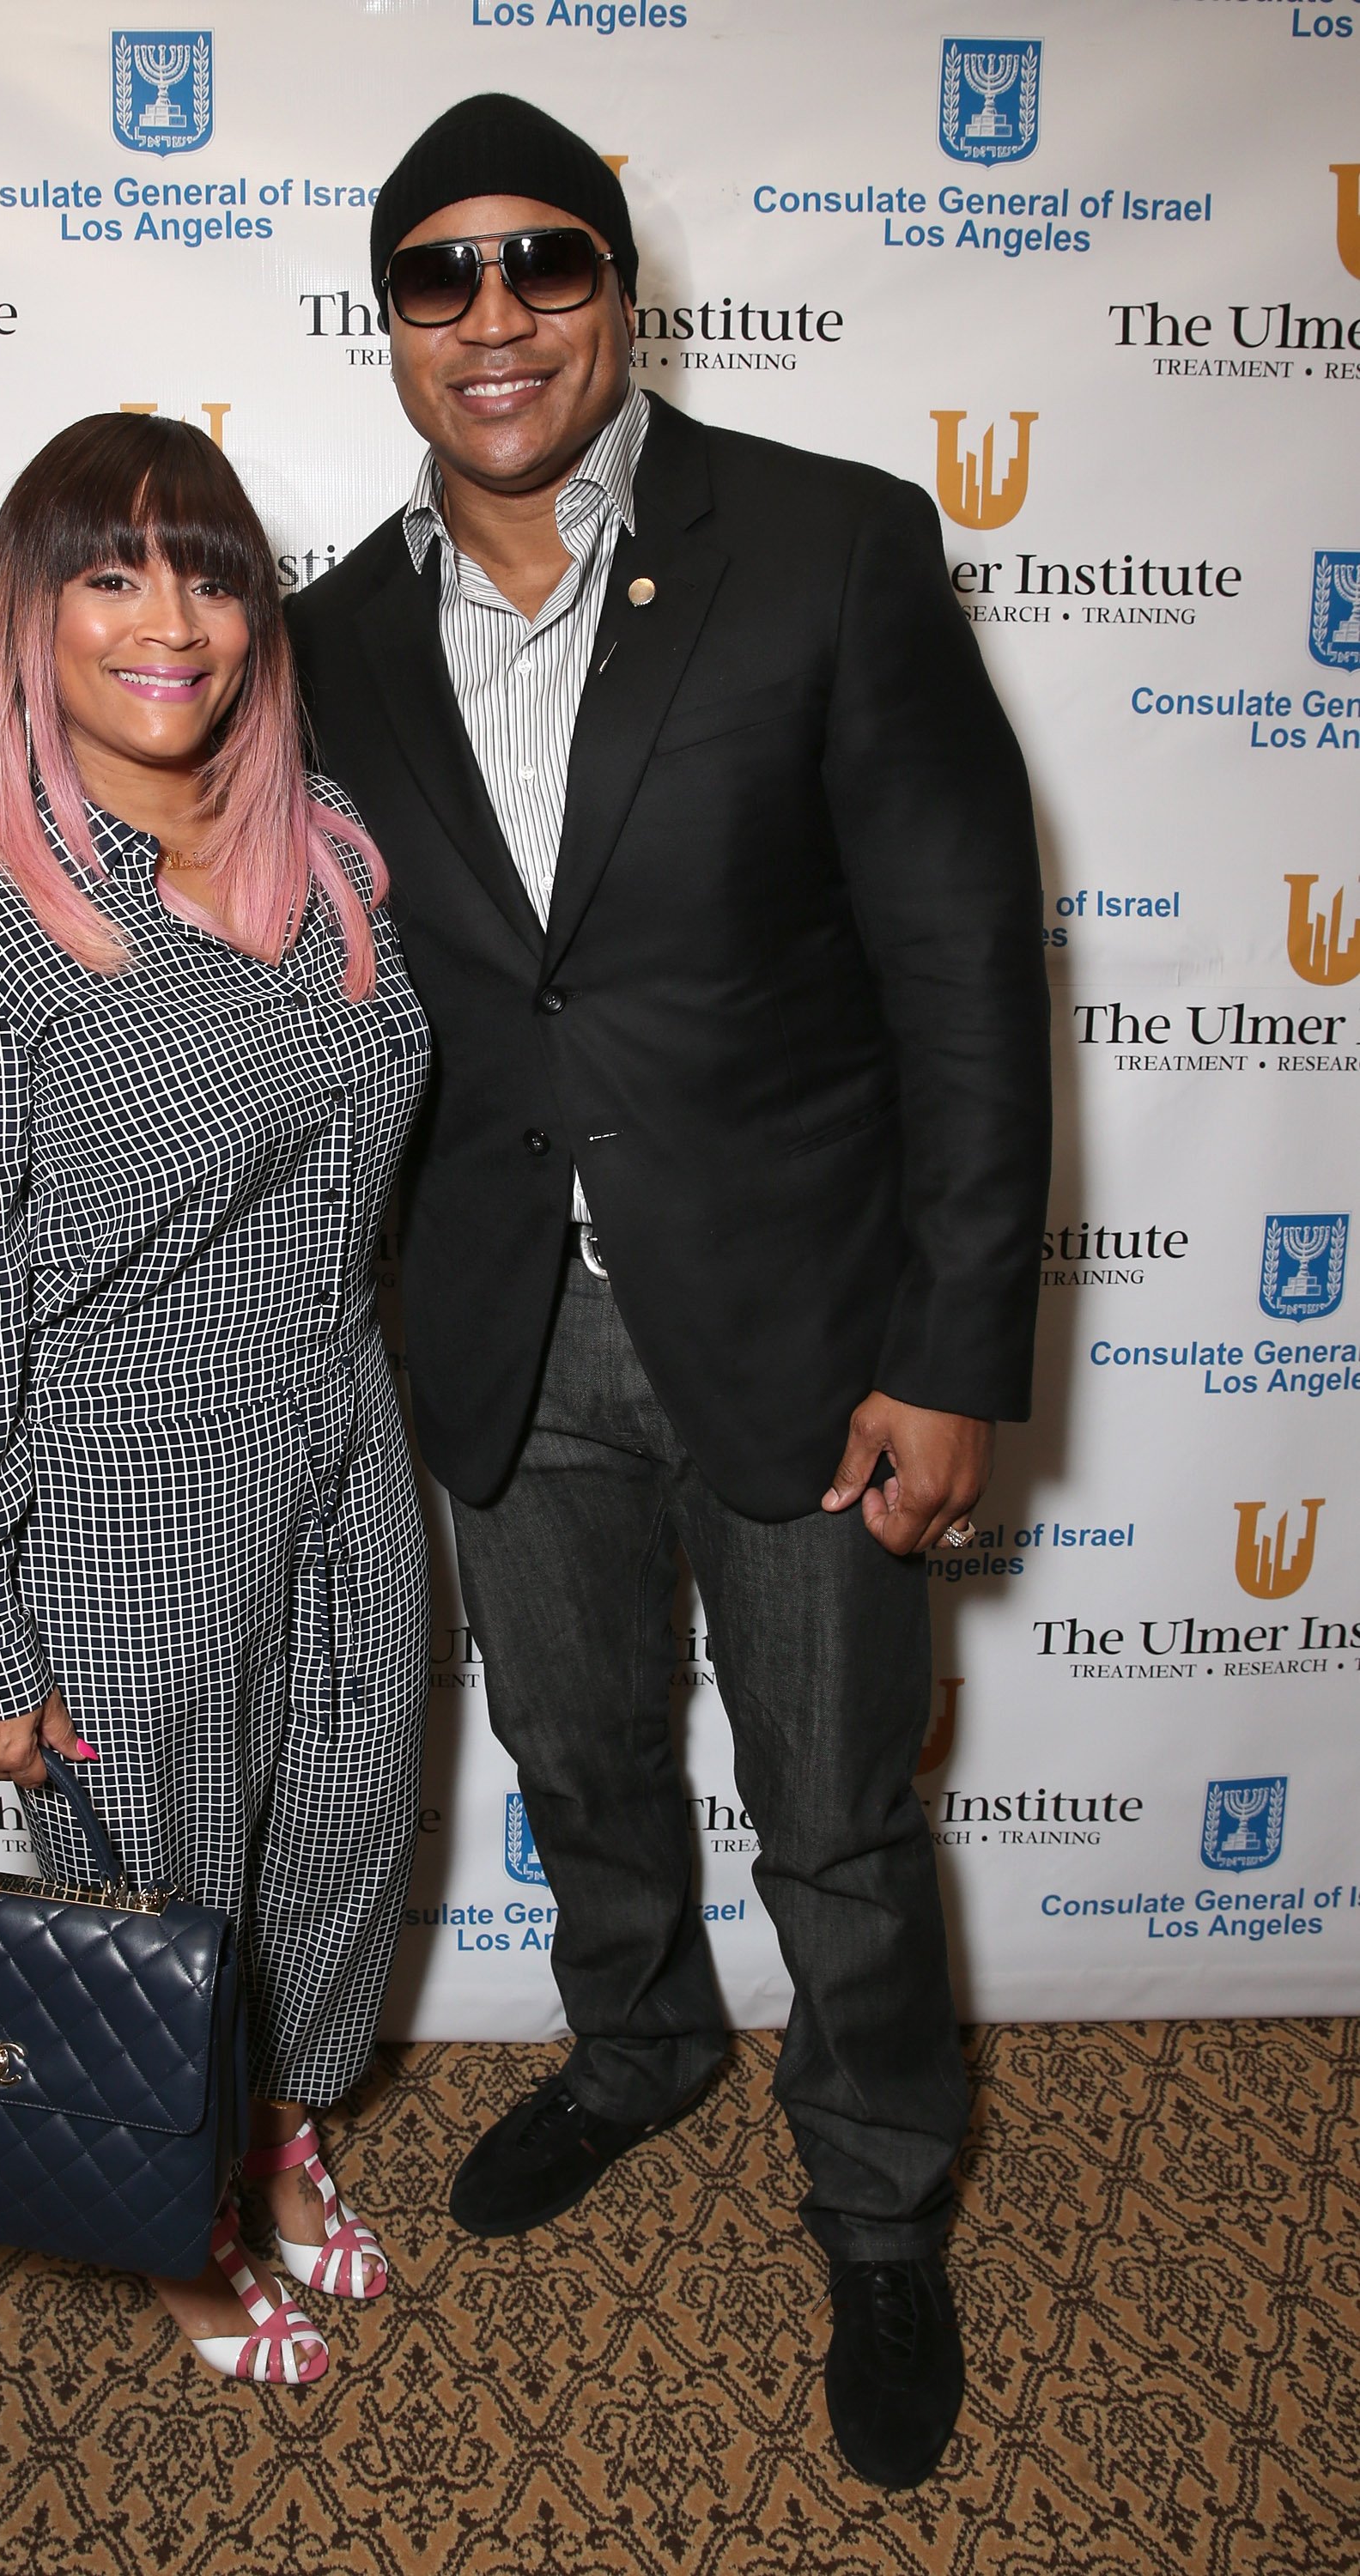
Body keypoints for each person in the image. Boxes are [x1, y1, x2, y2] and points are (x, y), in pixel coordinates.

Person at [286, 94, 1050, 2482]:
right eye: (440, 275)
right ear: (389, 325)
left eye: (542, 263)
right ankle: (632, 2052)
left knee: (829, 1809)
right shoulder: (314, 636)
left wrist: (950, 1354)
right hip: (497, 1324)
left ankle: (879, 2201)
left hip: (805, 1325)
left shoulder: (823, 546)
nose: (492, 317)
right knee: (576, 1758)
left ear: (617, 286)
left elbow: (960, 980)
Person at [0, 412, 431, 2387]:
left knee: (337, 1831)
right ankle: (164, 2228)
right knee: (156, 1891)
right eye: (111, 570)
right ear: (27, 619)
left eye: (210, 571)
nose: (170, 619)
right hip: (123, 1492)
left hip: (343, 1435)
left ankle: (266, 2133)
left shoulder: (323, 849)